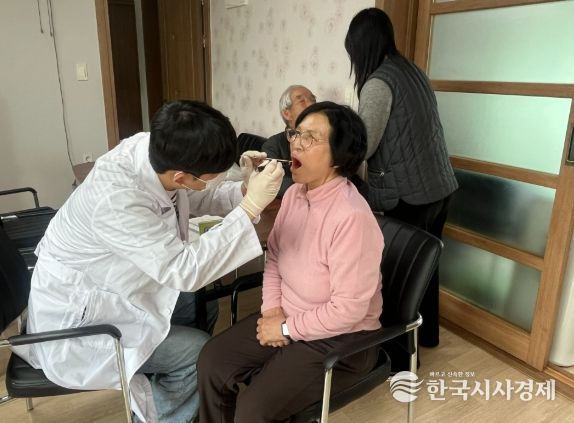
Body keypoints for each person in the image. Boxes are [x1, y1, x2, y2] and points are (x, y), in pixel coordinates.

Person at [16, 100, 284, 423]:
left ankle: (182, 389)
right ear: (181, 176)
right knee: (197, 351)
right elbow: (184, 270)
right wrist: (251, 206)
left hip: (117, 281)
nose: (210, 182)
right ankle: (170, 409)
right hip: (79, 320)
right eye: (210, 177)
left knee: (204, 305)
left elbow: (197, 195)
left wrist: (243, 188)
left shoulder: (156, 151)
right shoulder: (117, 200)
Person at [198, 102, 384, 423]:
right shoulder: (296, 195)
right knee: (213, 360)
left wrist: (285, 328)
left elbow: (348, 311)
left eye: (310, 137)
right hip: (288, 316)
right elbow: (275, 256)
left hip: (341, 339)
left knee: (252, 410)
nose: (295, 144)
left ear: (339, 156)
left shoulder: (352, 218)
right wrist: (272, 311)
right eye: (296, 134)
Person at [345, 8, 459, 350]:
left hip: (409, 195)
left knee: (398, 275)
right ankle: (428, 337)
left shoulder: (378, 83)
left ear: (361, 47)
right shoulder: (412, 71)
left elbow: (365, 145)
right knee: (426, 267)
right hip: (439, 187)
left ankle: (400, 356)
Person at [261, 84, 316, 197]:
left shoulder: (323, 141)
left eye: (313, 100)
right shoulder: (272, 145)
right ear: (287, 113)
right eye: (302, 101)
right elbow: (272, 182)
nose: (312, 105)